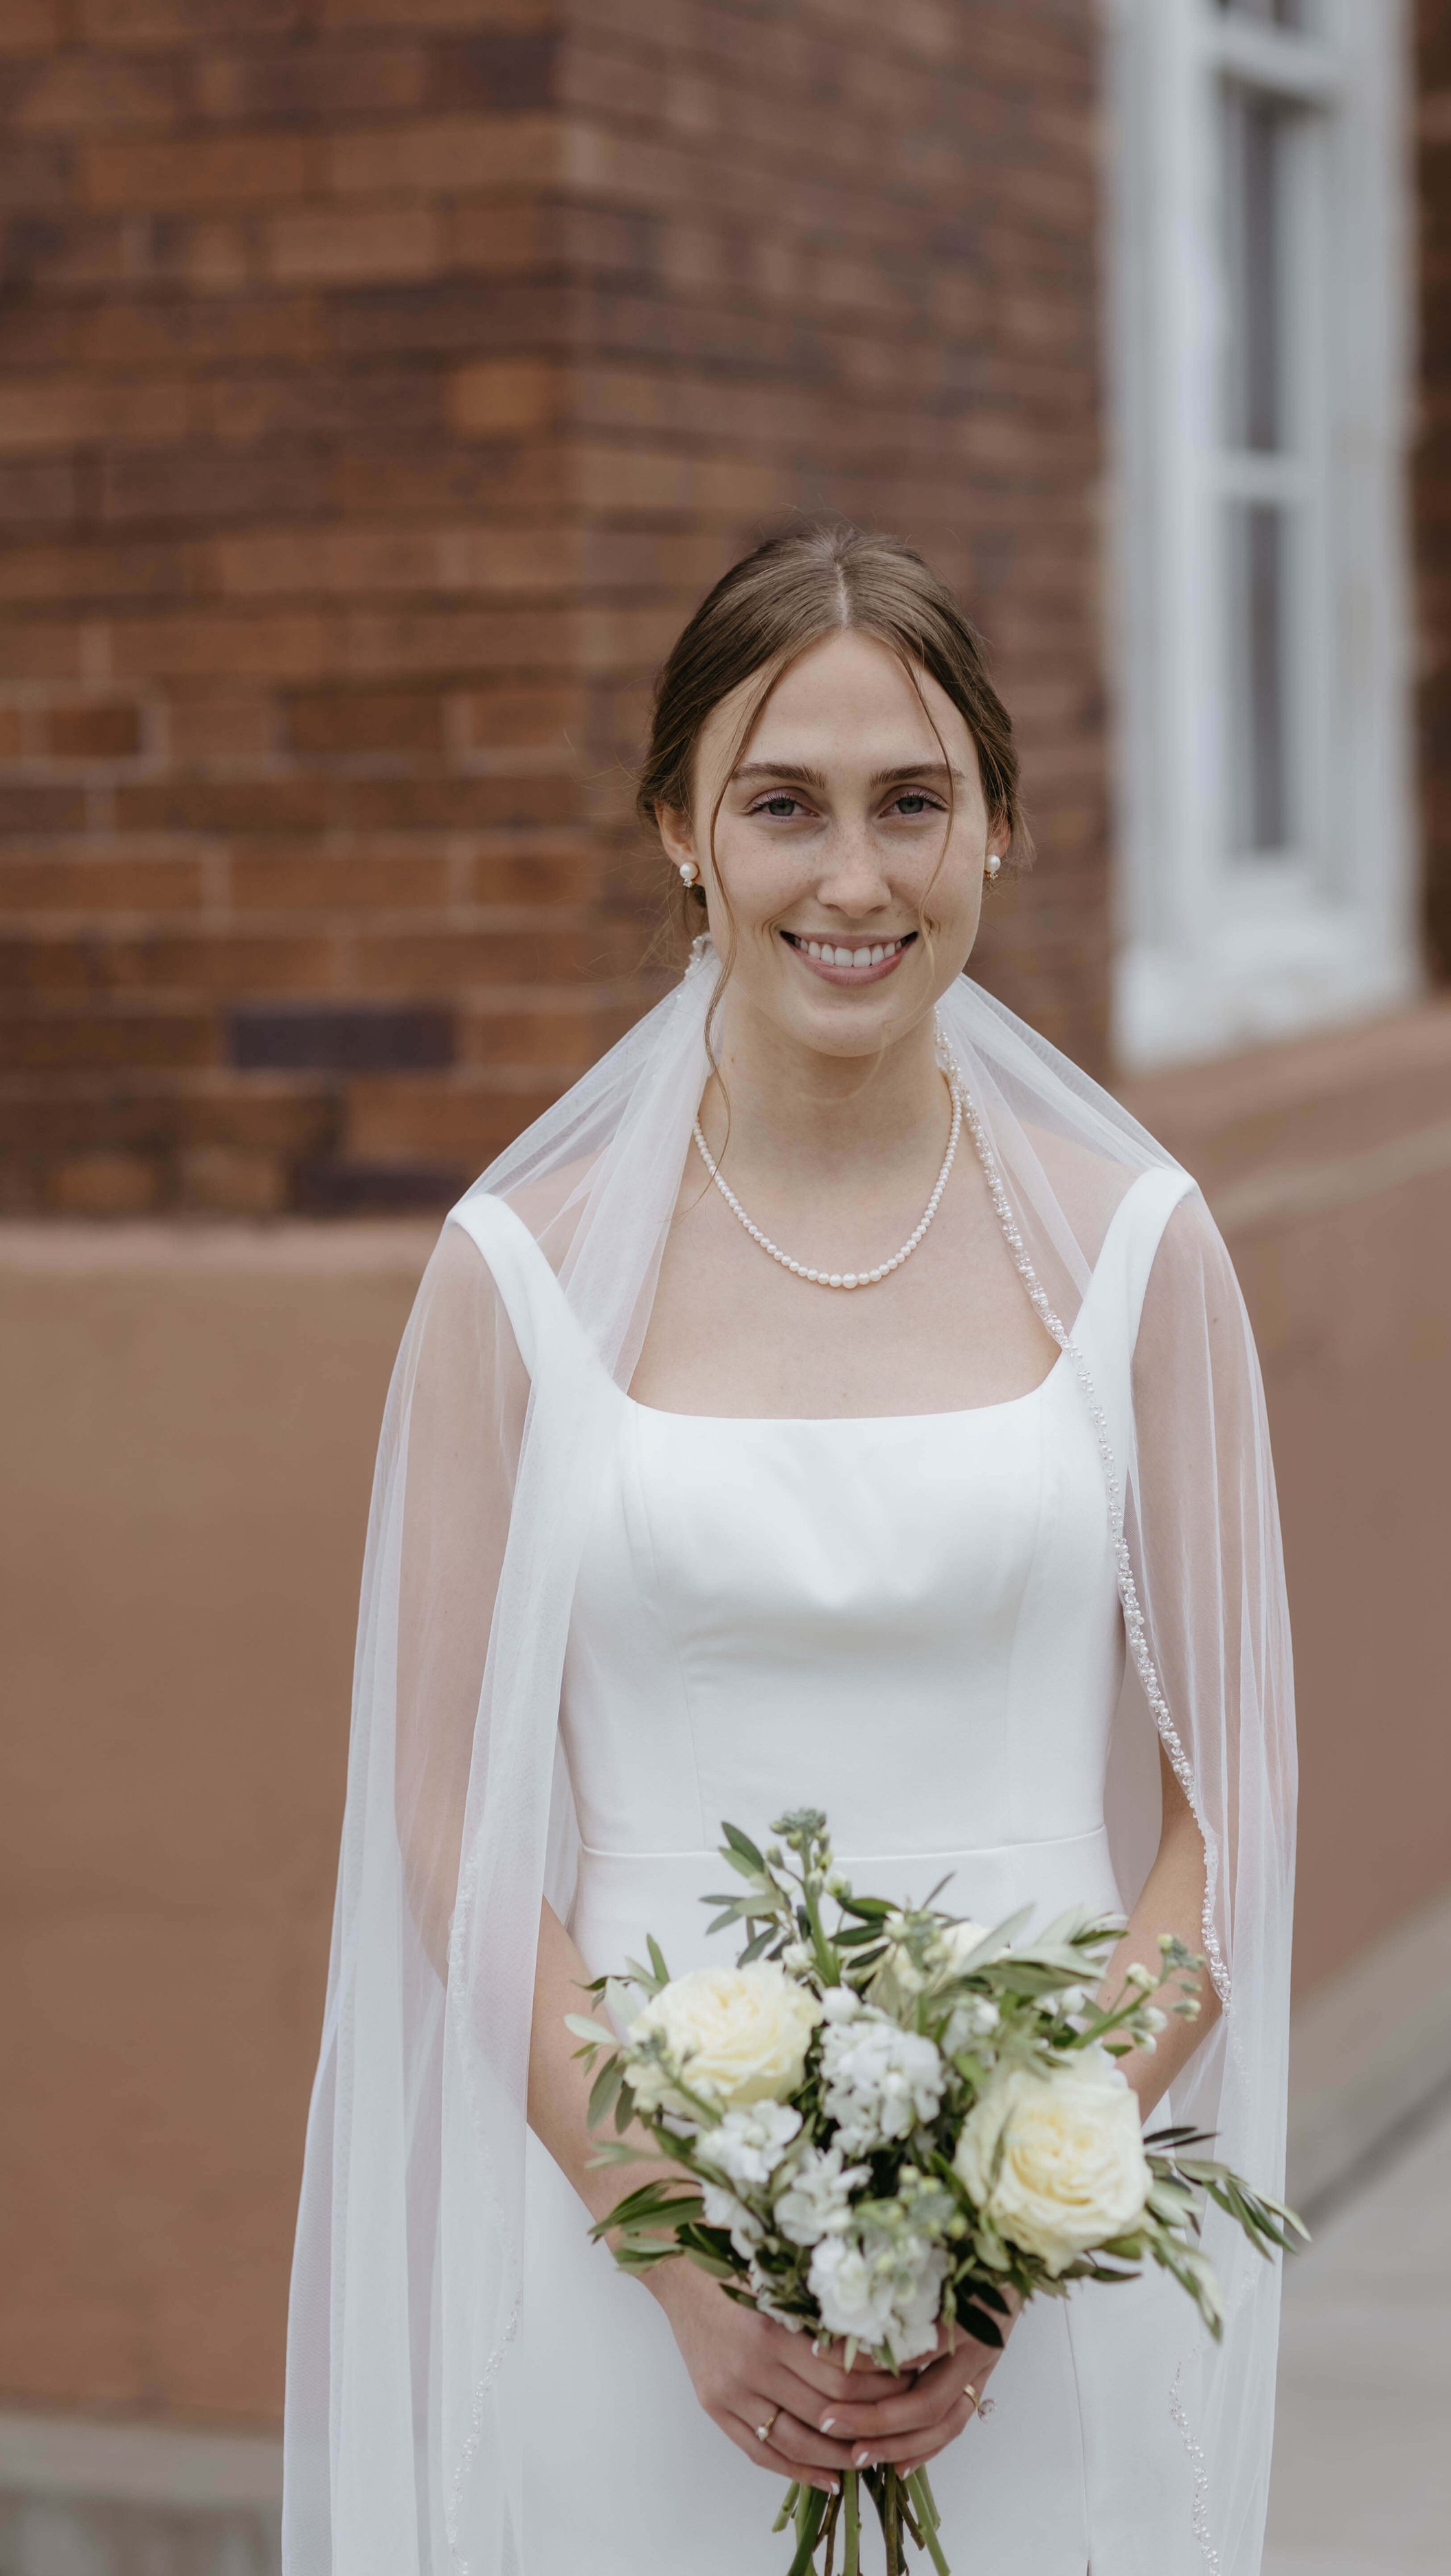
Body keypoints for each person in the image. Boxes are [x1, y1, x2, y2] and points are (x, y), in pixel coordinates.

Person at [284, 526, 1295, 2576]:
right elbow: (441, 1827)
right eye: (782, 806)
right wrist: (673, 2244)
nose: (854, 880)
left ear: (998, 826)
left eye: (912, 803)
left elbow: (1235, 1802)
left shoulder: (1137, 1249)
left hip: (1041, 2268)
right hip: (626, 2235)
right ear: (680, 831)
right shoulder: (518, 1277)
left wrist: (1018, 2212)